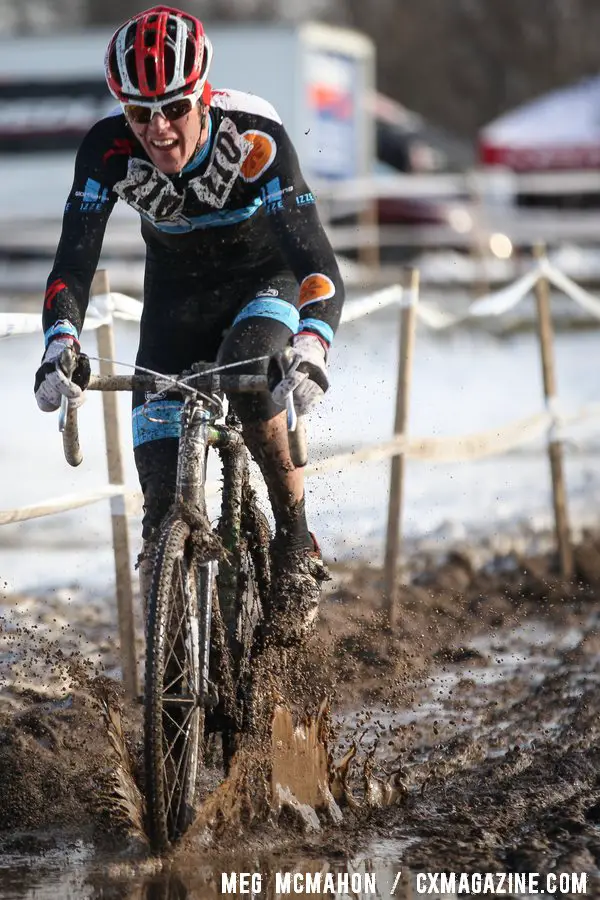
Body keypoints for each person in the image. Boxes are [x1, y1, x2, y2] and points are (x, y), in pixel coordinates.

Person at [34, 5, 344, 639]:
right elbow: (73, 263)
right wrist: (59, 341)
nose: (158, 128)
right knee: (160, 511)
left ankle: (294, 538)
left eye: (174, 107)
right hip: (176, 301)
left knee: (248, 375)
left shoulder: (255, 137)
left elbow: (316, 264)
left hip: (263, 284)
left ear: (202, 96)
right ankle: (177, 682)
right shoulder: (106, 151)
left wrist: (313, 343)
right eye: (139, 112)